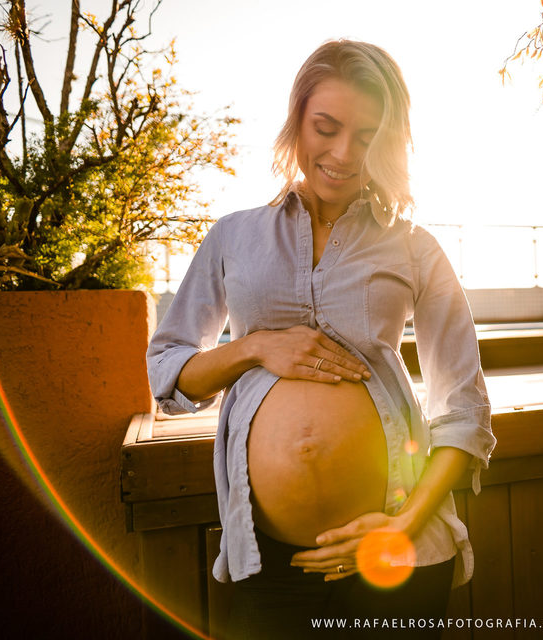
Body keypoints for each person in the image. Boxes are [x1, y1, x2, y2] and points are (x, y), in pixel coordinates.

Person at [146, 39, 497, 639]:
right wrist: (254, 347)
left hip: (396, 556)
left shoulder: (415, 247)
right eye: (326, 128)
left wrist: (405, 524)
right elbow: (170, 372)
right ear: (296, 121)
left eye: (366, 136)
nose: (342, 153)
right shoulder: (233, 236)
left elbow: (462, 410)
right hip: (268, 564)